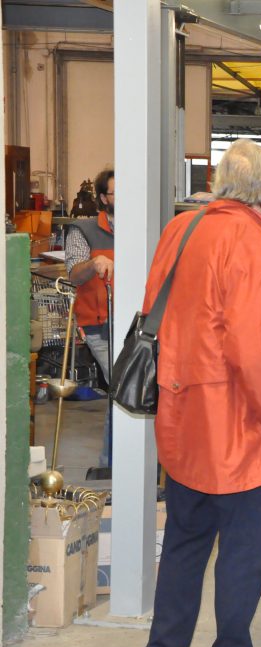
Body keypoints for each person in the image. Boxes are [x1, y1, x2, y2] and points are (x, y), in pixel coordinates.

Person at [135, 139, 261, 647]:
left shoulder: (181, 229)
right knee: (246, 552)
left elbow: (155, 312)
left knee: (187, 541)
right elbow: (256, 351)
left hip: (185, 412)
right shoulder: (252, 243)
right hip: (240, 426)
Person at [65, 167, 115, 469]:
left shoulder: (140, 226)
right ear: (102, 197)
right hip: (98, 324)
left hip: (135, 322)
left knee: (124, 389)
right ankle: (113, 462)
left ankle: (117, 460)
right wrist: (93, 262)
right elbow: (73, 273)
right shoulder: (82, 230)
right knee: (123, 385)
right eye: (114, 192)